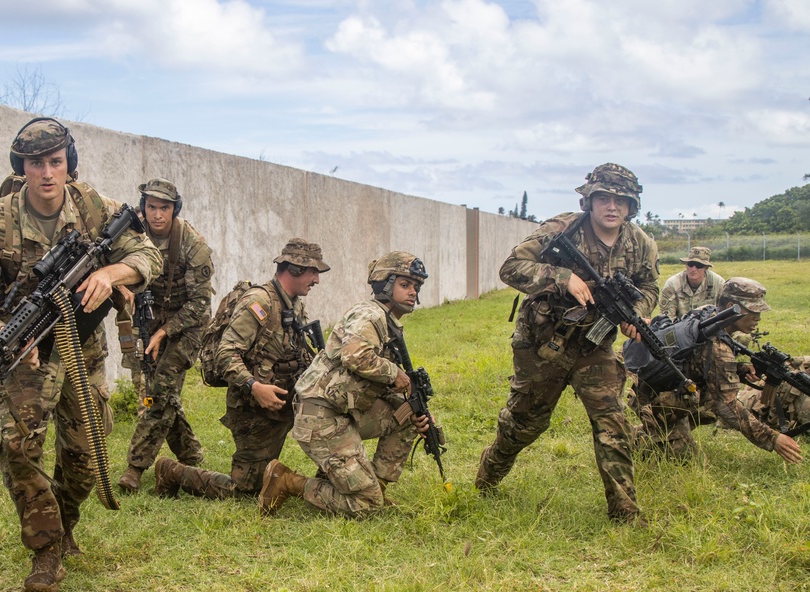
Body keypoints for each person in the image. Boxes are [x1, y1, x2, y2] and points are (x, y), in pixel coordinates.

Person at [0, 118, 162, 592]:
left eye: (55, 161)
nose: (46, 173)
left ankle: (64, 524)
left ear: (68, 163)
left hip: (81, 350)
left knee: (86, 455)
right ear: (21, 167)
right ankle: (45, 552)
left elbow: (149, 256)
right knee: (21, 448)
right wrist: (0, 332)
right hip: (25, 354)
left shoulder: (93, 208)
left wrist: (112, 273)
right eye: (35, 163)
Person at [474, 163, 658, 525]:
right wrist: (561, 277)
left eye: (621, 200)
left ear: (632, 206)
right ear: (588, 199)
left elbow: (649, 286)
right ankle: (489, 474)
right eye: (603, 198)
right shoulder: (563, 229)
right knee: (525, 424)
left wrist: (636, 314)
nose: (612, 206)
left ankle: (625, 512)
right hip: (543, 343)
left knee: (612, 419)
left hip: (595, 346)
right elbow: (511, 267)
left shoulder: (641, 243)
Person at [257, 252, 433, 517]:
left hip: (342, 411)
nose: (413, 293)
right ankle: (287, 481)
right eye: (405, 285)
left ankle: (377, 489)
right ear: (385, 285)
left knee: (407, 416)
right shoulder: (370, 315)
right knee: (367, 506)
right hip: (320, 416)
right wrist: (394, 373)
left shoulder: (387, 321)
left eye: (416, 287)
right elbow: (355, 355)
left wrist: (409, 405)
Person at [152, 239, 328, 500]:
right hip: (254, 407)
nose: (316, 280)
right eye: (313, 272)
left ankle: (331, 482)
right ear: (293, 269)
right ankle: (172, 471)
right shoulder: (259, 302)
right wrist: (254, 387)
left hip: (286, 399)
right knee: (246, 490)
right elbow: (226, 353)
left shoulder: (293, 303)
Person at [635, 278, 803, 464]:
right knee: (685, 460)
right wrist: (773, 438)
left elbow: (699, 362)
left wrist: (738, 369)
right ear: (731, 306)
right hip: (652, 398)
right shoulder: (718, 347)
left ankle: (665, 427)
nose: (758, 318)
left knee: (710, 403)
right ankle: (644, 431)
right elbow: (727, 407)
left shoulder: (707, 313)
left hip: (656, 385)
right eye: (753, 311)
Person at [116, 178, 213, 493]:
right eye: (152, 207)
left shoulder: (192, 244)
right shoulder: (131, 235)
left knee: (160, 390)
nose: (157, 215)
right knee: (154, 392)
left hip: (188, 324)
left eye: (165, 208)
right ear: (143, 208)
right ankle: (190, 453)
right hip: (148, 319)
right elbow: (110, 266)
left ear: (175, 209)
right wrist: (122, 289)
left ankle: (135, 467)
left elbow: (200, 304)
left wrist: (164, 332)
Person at [658, 246, 725, 319]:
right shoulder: (672, 284)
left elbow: (724, 315)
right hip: (680, 328)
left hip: (710, 327)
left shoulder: (718, 284)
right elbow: (667, 318)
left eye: (698, 265)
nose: (693, 269)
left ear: (706, 267)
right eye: (690, 264)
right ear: (686, 265)